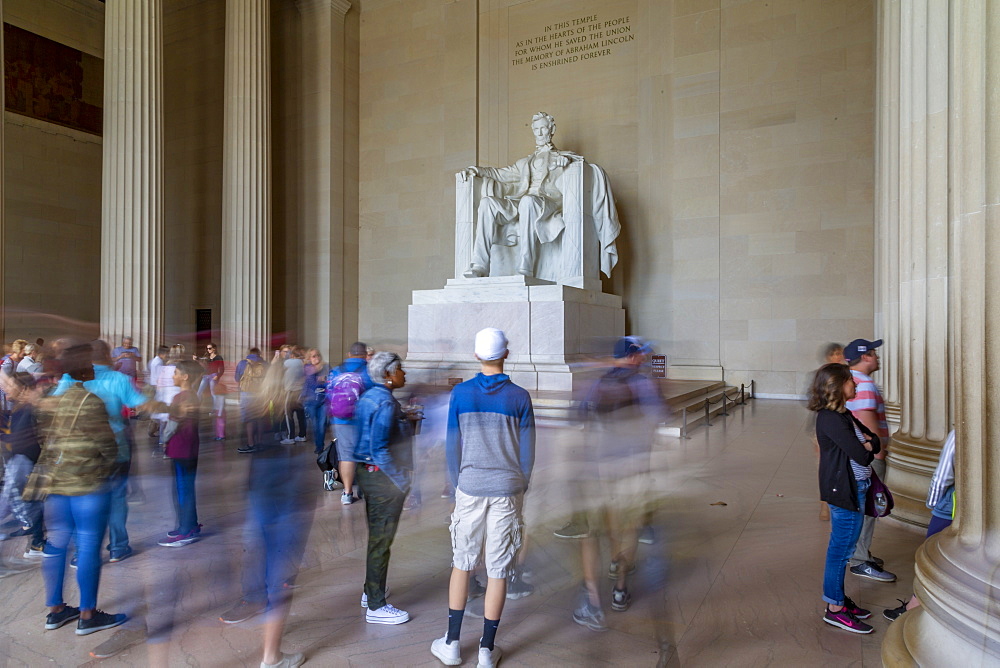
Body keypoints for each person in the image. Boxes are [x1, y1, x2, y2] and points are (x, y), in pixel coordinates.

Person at [430, 328, 535, 668]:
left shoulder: (460, 393)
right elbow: (528, 453)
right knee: (498, 568)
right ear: (507, 353)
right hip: (507, 488)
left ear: (476, 356)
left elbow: (452, 445)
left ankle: (452, 643)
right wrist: (521, 484)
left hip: (470, 486)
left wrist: (457, 482)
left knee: (462, 562)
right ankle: (487, 651)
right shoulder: (520, 397)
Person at [29, 341, 128, 636]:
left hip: (57, 484)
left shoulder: (51, 400)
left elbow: (44, 441)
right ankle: (87, 615)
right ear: (85, 369)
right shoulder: (91, 401)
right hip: (88, 485)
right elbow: (108, 448)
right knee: (87, 546)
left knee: (57, 543)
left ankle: (55, 611)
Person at [457, 112, 619, 279]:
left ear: (552, 129)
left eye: (543, 128)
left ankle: (525, 266)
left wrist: (568, 164)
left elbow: (584, 168)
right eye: (536, 129)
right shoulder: (525, 162)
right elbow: (499, 174)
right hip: (522, 202)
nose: (540, 133)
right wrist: (476, 170)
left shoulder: (564, 157)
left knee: (528, 202)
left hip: (549, 204)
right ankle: (480, 265)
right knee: (487, 203)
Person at [573, 336, 663, 631]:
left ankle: (595, 598)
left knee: (601, 526)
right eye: (640, 354)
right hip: (633, 466)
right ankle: (621, 587)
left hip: (603, 466)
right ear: (633, 357)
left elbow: (580, 415)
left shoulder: (598, 383)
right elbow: (657, 417)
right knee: (630, 527)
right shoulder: (643, 384)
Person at [51, 340, 158, 563]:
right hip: (116, 446)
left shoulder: (71, 377)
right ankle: (118, 547)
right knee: (118, 497)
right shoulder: (119, 379)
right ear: (109, 356)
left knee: (83, 499)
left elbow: (55, 405)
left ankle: (82, 552)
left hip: (81, 450)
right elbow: (141, 404)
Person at [809, 362, 880, 634]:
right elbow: (864, 454)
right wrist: (867, 446)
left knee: (843, 549)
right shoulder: (830, 418)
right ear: (837, 386)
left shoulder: (844, 415)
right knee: (841, 551)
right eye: (851, 380)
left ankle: (838, 600)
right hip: (845, 490)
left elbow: (875, 441)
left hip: (854, 487)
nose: (857, 384)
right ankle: (835, 609)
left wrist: (868, 444)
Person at [354, 351, 414, 625]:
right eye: (400, 369)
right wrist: (402, 480)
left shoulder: (369, 396)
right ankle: (376, 607)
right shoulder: (386, 403)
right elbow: (379, 450)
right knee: (381, 541)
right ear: (388, 375)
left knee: (378, 538)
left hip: (366, 473)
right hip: (382, 478)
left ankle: (371, 591)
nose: (404, 374)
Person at [883, 429, 957, 622]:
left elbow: (943, 475)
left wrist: (933, 504)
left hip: (952, 507)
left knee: (930, 557)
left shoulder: (962, 431)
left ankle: (914, 607)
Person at [843, 338, 896, 583]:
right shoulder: (862, 383)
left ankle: (860, 554)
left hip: (861, 456)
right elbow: (865, 421)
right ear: (865, 357)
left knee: (864, 506)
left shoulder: (853, 380)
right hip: (869, 457)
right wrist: (879, 453)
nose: (877, 357)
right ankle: (859, 560)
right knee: (867, 507)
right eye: (874, 353)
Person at [157, 360, 204, 547]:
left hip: (180, 447)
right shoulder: (193, 395)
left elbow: (173, 424)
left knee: (182, 490)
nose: (173, 375)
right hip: (190, 447)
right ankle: (190, 524)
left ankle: (186, 530)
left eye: (176, 372)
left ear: (185, 376)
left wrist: (163, 440)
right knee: (186, 487)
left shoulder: (181, 398)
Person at [0, 373, 45, 555]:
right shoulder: (20, 408)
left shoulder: (28, 409)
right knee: (24, 499)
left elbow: (22, 438)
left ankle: (37, 541)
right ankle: (34, 537)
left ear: (24, 389)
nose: (6, 387)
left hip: (25, 459)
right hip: (21, 459)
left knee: (20, 499)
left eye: (10, 384)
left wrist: (2, 436)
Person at [329, 341, 374, 504]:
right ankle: (364, 489)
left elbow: (328, 395)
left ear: (349, 354)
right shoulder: (369, 371)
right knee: (367, 455)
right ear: (364, 355)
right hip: (364, 420)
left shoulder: (336, 370)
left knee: (346, 456)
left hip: (340, 419)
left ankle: (347, 493)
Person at [235, 348, 268, 454]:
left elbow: (237, 378)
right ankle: (260, 442)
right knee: (260, 418)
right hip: (261, 394)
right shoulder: (265, 364)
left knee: (249, 419)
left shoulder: (242, 363)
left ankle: (251, 444)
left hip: (247, 393)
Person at [303, 349, 329, 454]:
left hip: (323, 400)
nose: (316, 357)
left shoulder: (326, 367)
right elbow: (312, 384)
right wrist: (321, 380)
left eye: (318, 355)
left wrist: (322, 381)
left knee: (322, 424)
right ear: (309, 358)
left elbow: (330, 382)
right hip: (311, 400)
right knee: (315, 425)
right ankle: (318, 444)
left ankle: (320, 446)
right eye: (313, 356)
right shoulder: (307, 368)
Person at [199, 342, 226, 440]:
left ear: (214, 348)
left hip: (213, 375)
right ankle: (196, 405)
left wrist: (217, 376)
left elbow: (222, 369)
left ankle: (215, 409)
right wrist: (199, 361)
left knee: (214, 393)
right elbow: (205, 367)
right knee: (199, 391)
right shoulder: (207, 357)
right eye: (207, 348)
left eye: (210, 348)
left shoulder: (218, 358)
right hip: (207, 375)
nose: (208, 350)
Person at [280, 347, 306, 445]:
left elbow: (278, 372)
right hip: (300, 392)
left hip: (290, 392)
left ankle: (290, 437)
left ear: (291, 355)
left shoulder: (287, 363)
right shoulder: (302, 363)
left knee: (288, 415)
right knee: (301, 415)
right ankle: (302, 435)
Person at [146, 346, 169, 438]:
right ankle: (154, 429)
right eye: (167, 353)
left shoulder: (154, 361)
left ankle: (153, 428)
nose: (167, 355)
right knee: (158, 410)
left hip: (154, 385)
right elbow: (160, 376)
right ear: (162, 353)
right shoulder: (159, 362)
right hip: (158, 387)